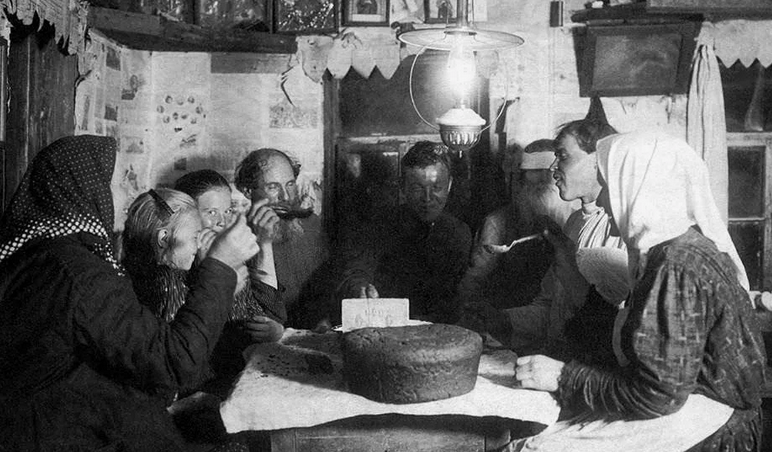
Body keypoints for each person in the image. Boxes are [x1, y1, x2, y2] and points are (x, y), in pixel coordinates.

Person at [509, 131, 766, 452]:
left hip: (711, 431)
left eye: (610, 186)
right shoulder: (672, 250)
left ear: (640, 188)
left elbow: (659, 395)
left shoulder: (677, 265)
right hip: (691, 413)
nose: (604, 200)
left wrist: (564, 377)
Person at [0, 135, 258, 451]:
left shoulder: (48, 256)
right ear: (88, 188)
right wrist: (219, 266)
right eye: (118, 180)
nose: (127, 189)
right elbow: (175, 362)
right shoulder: (78, 273)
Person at [460, 119, 625, 360]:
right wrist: (503, 319)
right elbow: (551, 307)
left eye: (563, 157)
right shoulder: (575, 222)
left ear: (599, 161)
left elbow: (617, 328)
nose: (554, 168)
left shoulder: (623, 230)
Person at [330, 141, 472, 325]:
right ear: (403, 187)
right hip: (389, 329)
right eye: (417, 188)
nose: (427, 198)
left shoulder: (460, 233)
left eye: (437, 188)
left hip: (442, 330)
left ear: (450, 185)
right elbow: (356, 271)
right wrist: (359, 288)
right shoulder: (378, 227)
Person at [457, 139, 579, 311]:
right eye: (535, 171)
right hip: (511, 315)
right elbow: (474, 280)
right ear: (522, 178)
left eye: (549, 171)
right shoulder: (497, 223)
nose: (543, 179)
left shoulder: (578, 221)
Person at [174, 169, 285, 345]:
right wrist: (209, 272)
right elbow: (190, 342)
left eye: (227, 211)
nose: (222, 221)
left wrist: (274, 330)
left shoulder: (230, 256)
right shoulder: (176, 267)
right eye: (211, 212)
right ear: (186, 216)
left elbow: (257, 316)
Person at [234, 148, 331, 328]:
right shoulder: (235, 240)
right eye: (273, 187)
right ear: (248, 191)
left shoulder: (313, 225)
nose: (285, 196)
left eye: (290, 184)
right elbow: (253, 315)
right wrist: (263, 243)